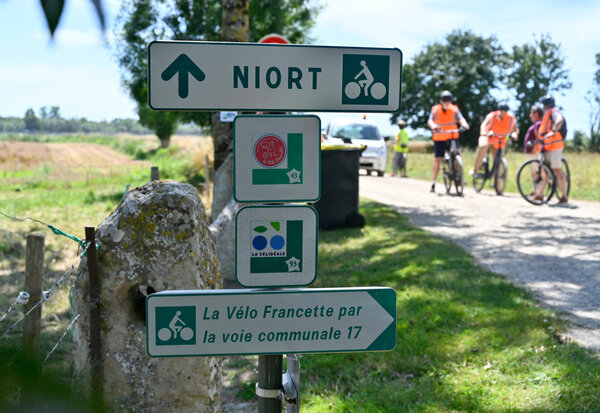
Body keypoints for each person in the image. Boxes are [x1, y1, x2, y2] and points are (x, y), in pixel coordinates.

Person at [427, 90, 470, 192]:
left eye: (449, 101)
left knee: (458, 155)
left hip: (452, 136)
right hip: (439, 138)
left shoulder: (454, 109)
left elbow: (461, 118)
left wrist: (464, 124)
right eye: (445, 101)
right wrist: (433, 126)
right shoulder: (435, 110)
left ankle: (459, 178)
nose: (447, 103)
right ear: (441, 101)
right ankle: (433, 182)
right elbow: (430, 120)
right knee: (438, 160)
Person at [535, 95, 568, 204]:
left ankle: (564, 196)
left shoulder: (554, 112)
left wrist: (553, 131)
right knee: (543, 171)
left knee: (557, 170)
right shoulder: (546, 115)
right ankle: (540, 194)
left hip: (555, 146)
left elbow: (559, 120)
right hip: (546, 147)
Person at [470, 103, 518, 175]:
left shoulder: (511, 118)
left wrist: (515, 134)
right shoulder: (492, 115)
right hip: (488, 137)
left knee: (499, 164)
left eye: (505, 111)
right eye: (502, 111)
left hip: (500, 141)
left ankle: (497, 184)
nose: (503, 113)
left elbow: (516, 129)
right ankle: (475, 169)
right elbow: (484, 124)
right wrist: (483, 132)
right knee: (483, 146)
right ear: (499, 110)